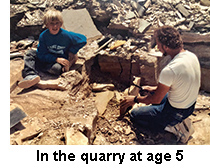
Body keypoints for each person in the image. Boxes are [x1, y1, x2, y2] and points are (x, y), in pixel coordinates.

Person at [120, 26, 201, 131]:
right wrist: (154, 89)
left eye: (158, 45)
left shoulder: (170, 70)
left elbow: (156, 100)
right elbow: (179, 82)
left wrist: (135, 99)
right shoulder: (191, 56)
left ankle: (169, 127)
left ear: (166, 47)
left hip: (175, 113)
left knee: (135, 115)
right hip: (189, 106)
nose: (157, 48)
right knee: (153, 95)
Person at [18, 9, 87, 89]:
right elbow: (41, 54)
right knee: (29, 53)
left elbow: (83, 39)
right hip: (48, 58)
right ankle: (31, 75)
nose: (55, 26)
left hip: (56, 63)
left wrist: (72, 51)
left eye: (57, 23)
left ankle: (37, 68)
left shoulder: (66, 35)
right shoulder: (44, 36)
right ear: (46, 25)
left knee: (56, 69)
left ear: (61, 24)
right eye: (52, 23)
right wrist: (56, 59)